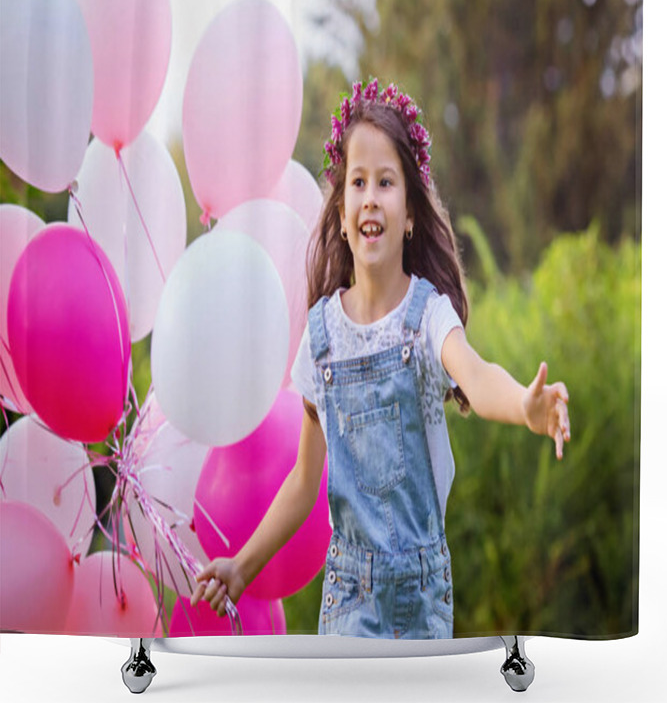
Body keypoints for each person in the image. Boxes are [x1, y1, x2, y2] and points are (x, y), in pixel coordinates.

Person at [191, 79, 571, 638]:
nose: (371, 196)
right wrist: (240, 568)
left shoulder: (427, 317)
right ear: (343, 216)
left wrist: (524, 404)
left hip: (422, 598)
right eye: (358, 182)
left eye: (386, 182)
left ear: (411, 213)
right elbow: (304, 480)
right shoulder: (320, 338)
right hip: (347, 597)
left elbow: (476, 374)